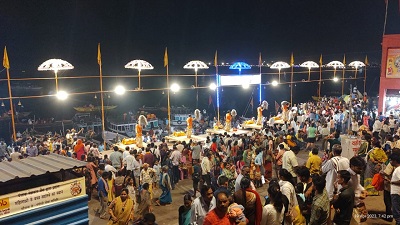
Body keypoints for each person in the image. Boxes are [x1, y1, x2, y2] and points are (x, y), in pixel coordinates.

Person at [388, 153, 400, 225]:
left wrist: (391, 182)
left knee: (397, 214)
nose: (390, 162)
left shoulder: (398, 170)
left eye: (391, 160)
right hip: (397, 193)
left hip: (396, 193)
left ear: (395, 161)